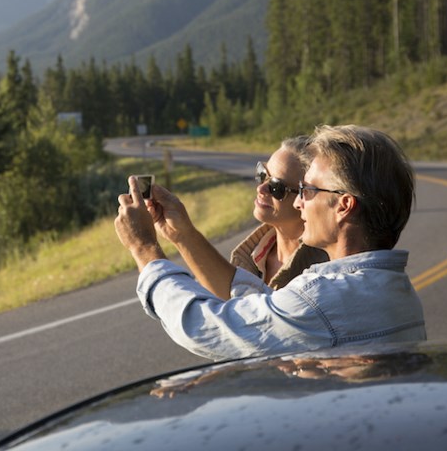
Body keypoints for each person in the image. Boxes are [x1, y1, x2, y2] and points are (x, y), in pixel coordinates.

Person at [114, 124, 426, 361]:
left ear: (343, 206)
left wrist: (144, 251)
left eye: (307, 191)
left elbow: (204, 325)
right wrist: (181, 233)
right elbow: (263, 305)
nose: (300, 203)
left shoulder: (320, 299)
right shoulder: (394, 288)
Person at [156, 135, 327, 300]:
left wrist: (145, 248)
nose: (261, 189)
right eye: (262, 174)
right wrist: (180, 234)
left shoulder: (320, 273)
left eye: (276, 187)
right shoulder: (253, 256)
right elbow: (228, 300)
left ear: (306, 198)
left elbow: (250, 318)